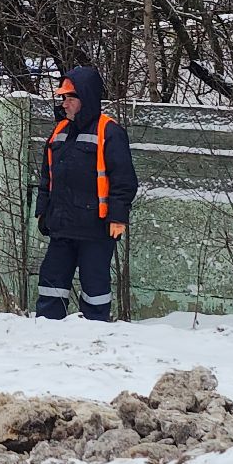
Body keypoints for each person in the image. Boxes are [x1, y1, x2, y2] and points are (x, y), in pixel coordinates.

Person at [34, 64, 139, 320]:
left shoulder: (109, 131)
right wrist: (42, 212)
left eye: (70, 97)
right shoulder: (59, 132)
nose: (64, 103)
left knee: (95, 290)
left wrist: (118, 217)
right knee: (51, 288)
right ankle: (45, 337)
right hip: (61, 227)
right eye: (63, 98)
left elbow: (123, 180)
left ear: (86, 98)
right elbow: (47, 176)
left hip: (96, 228)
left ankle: (96, 337)